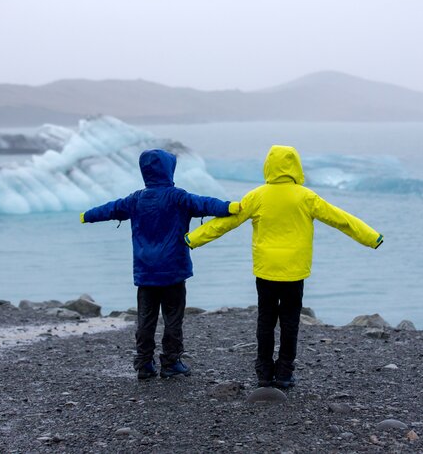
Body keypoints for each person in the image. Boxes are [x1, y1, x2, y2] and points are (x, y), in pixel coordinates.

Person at [185, 145, 383, 388]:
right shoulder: (306, 197)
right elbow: (341, 219)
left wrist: (192, 239)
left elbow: (226, 223)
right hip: (294, 271)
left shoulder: (257, 196)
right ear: (295, 166)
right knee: (290, 322)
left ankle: (264, 373)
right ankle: (285, 373)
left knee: (265, 322)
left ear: (268, 166)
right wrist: (371, 237)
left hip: (266, 270)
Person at [81, 148, 239, 380]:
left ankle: (144, 364)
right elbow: (206, 204)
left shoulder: (136, 199)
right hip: (173, 271)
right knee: (173, 318)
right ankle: (171, 362)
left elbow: (111, 209)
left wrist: (87, 215)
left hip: (145, 271)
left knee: (146, 319)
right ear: (168, 170)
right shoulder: (178, 197)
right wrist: (230, 207)